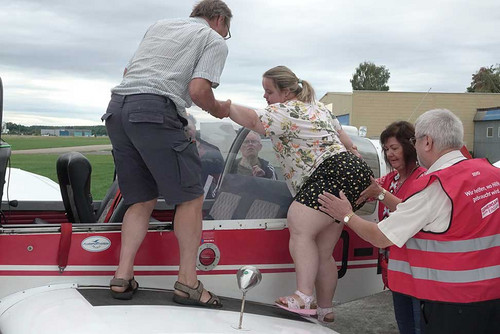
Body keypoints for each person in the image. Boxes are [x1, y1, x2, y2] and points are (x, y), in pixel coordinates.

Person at [318, 109, 500, 334]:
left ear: (427, 142)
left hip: (452, 303)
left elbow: (381, 236)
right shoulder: (490, 174)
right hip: (491, 297)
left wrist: (346, 214)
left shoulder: (435, 188)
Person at [102, 0, 233, 308]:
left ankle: (122, 277)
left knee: (141, 198)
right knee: (190, 197)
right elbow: (200, 90)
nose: (225, 38)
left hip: (117, 109)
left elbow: (128, 71)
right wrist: (219, 110)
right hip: (154, 110)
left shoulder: (160, 26)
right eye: (227, 32)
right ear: (218, 20)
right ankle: (188, 283)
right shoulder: (212, 39)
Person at [226, 65, 372, 323]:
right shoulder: (317, 108)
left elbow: (251, 120)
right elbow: (342, 136)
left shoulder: (285, 110)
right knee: (323, 250)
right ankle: (325, 308)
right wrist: (353, 150)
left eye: (268, 91)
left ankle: (304, 296)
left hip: (329, 170)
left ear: (284, 92)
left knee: (300, 225)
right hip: (351, 168)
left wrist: (224, 106)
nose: (265, 97)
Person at [356, 121, 426, 334]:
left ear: (410, 146)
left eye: (394, 148)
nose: (390, 154)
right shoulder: (391, 179)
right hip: (396, 268)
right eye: (386, 149)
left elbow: (407, 211)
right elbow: (366, 188)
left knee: (419, 326)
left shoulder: (423, 178)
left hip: (418, 269)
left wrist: (379, 194)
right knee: (405, 326)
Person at [185, 113, 224, 197]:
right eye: (183, 129)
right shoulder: (167, 151)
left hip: (205, 199)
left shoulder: (212, 151)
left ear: (195, 128)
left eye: (188, 128)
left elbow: (220, 180)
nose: (186, 132)